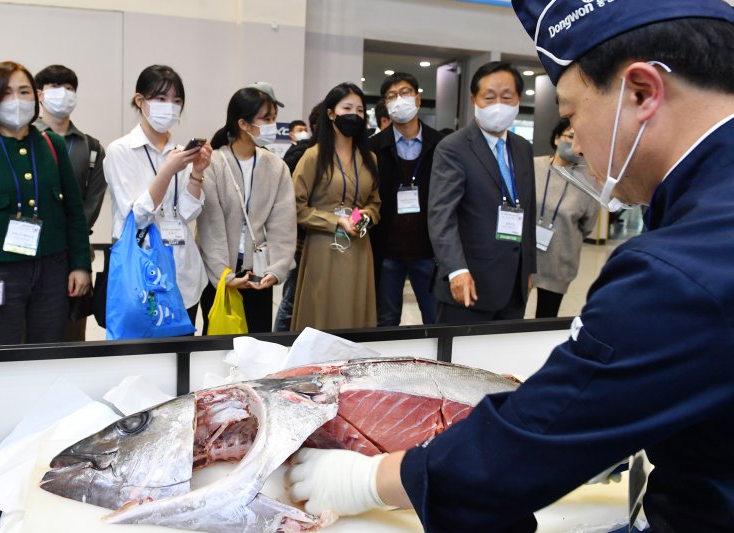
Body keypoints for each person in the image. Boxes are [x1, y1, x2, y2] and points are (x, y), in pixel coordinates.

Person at [286, 2, 734, 531]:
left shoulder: (677, 267)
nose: (576, 143)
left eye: (569, 115)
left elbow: (525, 447)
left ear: (640, 92)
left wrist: (370, 480)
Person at [0, 61, 91, 346]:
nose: (17, 101)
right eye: (5, 93)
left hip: (53, 270)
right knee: (0, 355)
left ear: (35, 97)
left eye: (24, 92)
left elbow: (73, 213)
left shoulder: (52, 145)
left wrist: (80, 265)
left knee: (48, 351)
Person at [428, 61, 537, 324]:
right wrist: (456, 270)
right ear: (474, 99)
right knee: (460, 364)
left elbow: (529, 209)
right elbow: (442, 215)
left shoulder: (522, 148)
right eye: (489, 97)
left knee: (501, 362)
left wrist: (529, 268)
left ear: (518, 100)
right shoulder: (453, 148)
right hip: (468, 285)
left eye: (507, 96)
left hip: (513, 286)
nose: (498, 104)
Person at [104, 65, 211, 329]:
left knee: (181, 354)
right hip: (142, 270)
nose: (170, 107)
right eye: (161, 99)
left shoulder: (179, 152)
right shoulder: (120, 151)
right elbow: (137, 215)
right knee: (145, 354)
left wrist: (197, 173)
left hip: (184, 271)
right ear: (140, 101)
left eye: (176, 101)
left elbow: (186, 213)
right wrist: (166, 172)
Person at [197, 86, 296, 334]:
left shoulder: (276, 167)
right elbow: (210, 226)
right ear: (243, 123)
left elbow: (283, 222)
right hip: (220, 278)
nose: (273, 125)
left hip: (259, 275)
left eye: (273, 118)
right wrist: (224, 275)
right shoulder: (215, 164)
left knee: (258, 345)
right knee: (220, 346)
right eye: (266, 118)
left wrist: (276, 270)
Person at [292, 82, 381, 331]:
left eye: (361, 110)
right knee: (322, 314)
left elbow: (375, 202)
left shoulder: (370, 158)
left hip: (359, 246)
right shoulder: (314, 156)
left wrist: (367, 216)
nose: (355, 114)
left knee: (355, 316)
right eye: (347, 108)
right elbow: (296, 207)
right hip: (323, 246)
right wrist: (334, 221)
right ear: (331, 113)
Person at [34, 64, 107, 341]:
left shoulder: (91, 147)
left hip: (74, 255)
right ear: (40, 95)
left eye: (69, 88)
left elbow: (93, 200)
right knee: (30, 334)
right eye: (54, 87)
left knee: (71, 334)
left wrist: (68, 234)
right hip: (31, 253)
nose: (62, 94)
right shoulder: (24, 140)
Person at [369, 72, 443, 326]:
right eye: (392, 96)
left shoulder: (441, 144)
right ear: (386, 106)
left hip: (428, 250)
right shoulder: (373, 147)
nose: (399, 100)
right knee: (386, 320)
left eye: (405, 93)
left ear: (418, 100)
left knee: (434, 318)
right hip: (387, 250)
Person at [532, 118, 597, 318]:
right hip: (525, 256)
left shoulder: (589, 180)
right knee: (513, 317)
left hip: (559, 260)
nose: (574, 143)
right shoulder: (533, 166)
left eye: (581, 139)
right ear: (556, 138)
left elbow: (587, 225)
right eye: (570, 136)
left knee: (545, 318)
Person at [274, 102, 323, 332]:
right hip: (302, 237)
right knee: (292, 297)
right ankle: (281, 340)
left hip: (331, 240)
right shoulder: (304, 153)